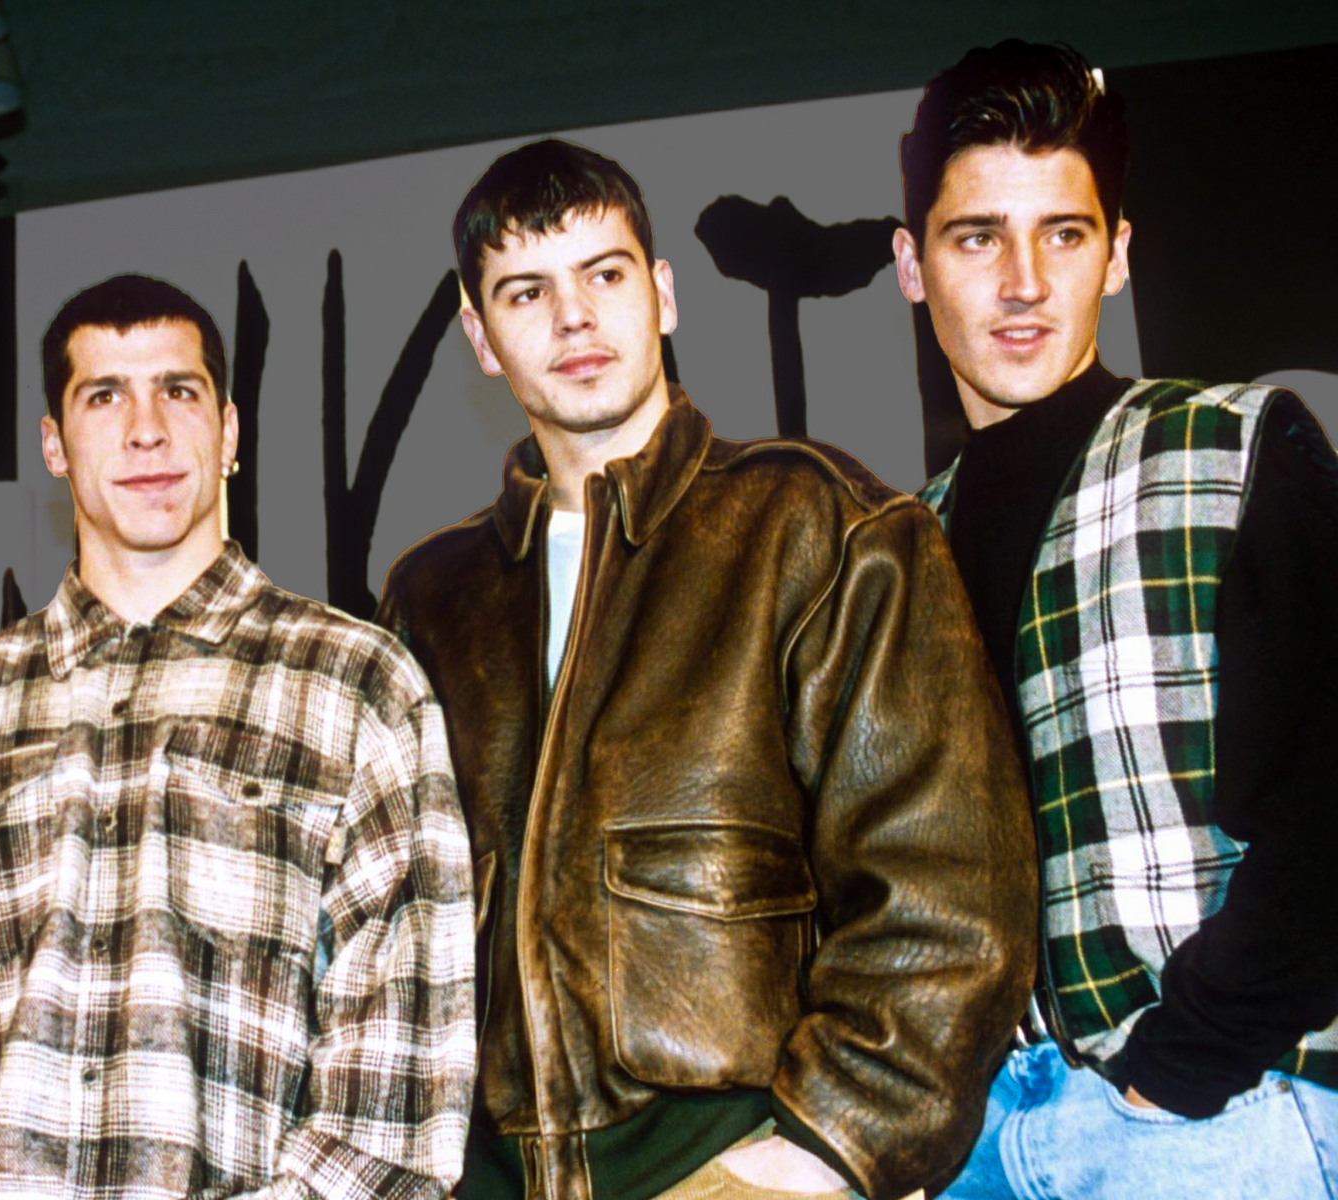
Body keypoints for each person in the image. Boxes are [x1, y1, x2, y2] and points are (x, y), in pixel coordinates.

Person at [378, 138, 1036, 1200]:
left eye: (605, 274)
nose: (574, 317)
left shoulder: (818, 522)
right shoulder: (429, 598)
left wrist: (814, 1155)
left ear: (664, 295)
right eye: (525, 291)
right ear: (480, 337)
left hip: (745, 1161)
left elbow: (948, 894)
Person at [0, 274, 476, 1199]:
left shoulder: (357, 686)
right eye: (103, 396)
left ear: (230, 431)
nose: (146, 429)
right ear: (53, 443)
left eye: (178, 390)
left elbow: (395, 1110)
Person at [891, 40, 1338, 1197]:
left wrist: (1183, 1064)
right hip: (982, 1141)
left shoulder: (1239, 443)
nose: (1024, 279)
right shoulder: (895, 548)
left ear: (1120, 254)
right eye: (977, 235)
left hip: (1217, 1118)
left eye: (1066, 232)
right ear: (911, 263)